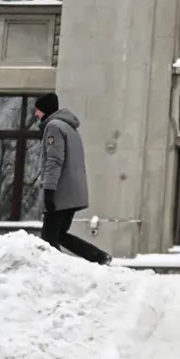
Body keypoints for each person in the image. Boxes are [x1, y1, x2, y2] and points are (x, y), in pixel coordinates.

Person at [35, 93, 111, 265]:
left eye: (38, 110)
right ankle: (98, 257)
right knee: (58, 235)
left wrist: (49, 190)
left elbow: (54, 161)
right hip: (73, 193)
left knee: (48, 238)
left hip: (60, 193)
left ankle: (57, 271)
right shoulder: (70, 128)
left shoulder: (54, 127)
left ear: (45, 110)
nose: (36, 114)